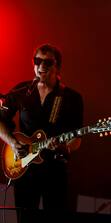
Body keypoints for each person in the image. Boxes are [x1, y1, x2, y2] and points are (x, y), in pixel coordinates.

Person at [0, 44, 83, 222]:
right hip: (24, 169)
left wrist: (64, 146)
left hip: (55, 171)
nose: (42, 65)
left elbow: (76, 138)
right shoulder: (22, 91)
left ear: (57, 66)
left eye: (48, 62)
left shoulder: (71, 98)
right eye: (38, 61)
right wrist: (13, 143)